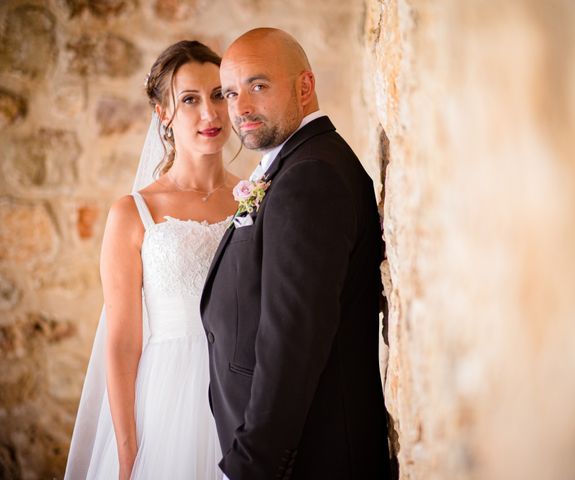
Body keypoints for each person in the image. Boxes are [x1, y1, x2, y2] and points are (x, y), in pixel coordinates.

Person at [200, 28, 391, 479]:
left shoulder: (312, 177)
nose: (240, 108)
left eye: (258, 86)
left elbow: (292, 339)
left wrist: (254, 465)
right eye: (231, 92)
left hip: (308, 458)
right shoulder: (300, 164)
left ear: (304, 87)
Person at [65, 40, 238, 480]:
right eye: (190, 100)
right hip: (167, 398)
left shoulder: (255, 197)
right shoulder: (134, 212)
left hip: (243, 394)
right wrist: (128, 450)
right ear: (163, 113)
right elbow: (122, 343)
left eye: (220, 94)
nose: (210, 114)